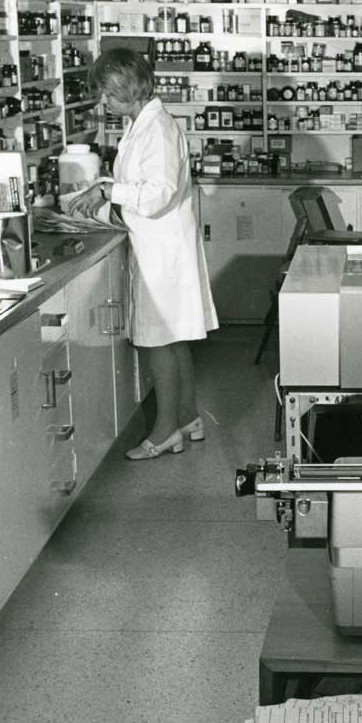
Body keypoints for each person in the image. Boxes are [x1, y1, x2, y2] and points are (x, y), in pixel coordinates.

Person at [87, 48, 219, 460]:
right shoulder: (143, 124)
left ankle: (164, 433)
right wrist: (110, 189)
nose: (102, 102)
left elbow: (158, 194)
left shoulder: (157, 128)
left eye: (107, 94)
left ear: (127, 88)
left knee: (157, 341)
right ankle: (188, 417)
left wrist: (110, 191)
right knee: (175, 337)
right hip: (161, 245)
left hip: (160, 249)